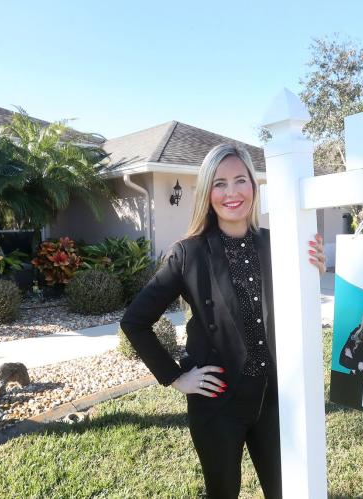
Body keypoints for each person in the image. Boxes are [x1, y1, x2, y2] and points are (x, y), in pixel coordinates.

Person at [119, 143, 326, 499]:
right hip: (217, 404)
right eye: (220, 183)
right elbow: (135, 322)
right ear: (207, 193)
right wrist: (176, 377)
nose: (231, 192)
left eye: (240, 180)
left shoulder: (278, 245)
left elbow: (297, 308)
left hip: (274, 398)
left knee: (286, 491)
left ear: (254, 187)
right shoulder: (188, 253)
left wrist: (314, 271)